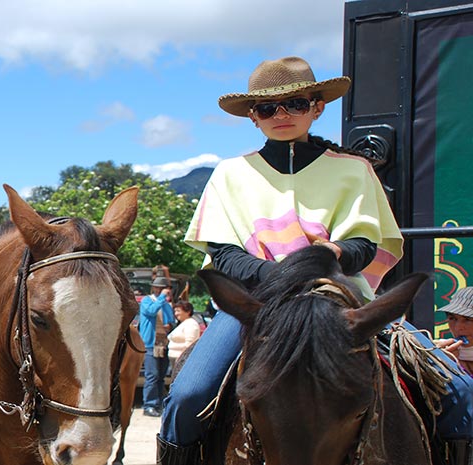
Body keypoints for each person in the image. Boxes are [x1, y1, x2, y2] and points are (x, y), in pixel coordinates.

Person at [160, 56, 473, 464]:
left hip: (344, 299)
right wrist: (282, 278)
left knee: (459, 393)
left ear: (318, 106)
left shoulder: (354, 170)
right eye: (269, 108)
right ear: (253, 116)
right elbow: (224, 254)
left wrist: (333, 253)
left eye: (297, 104)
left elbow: (365, 243)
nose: (282, 115)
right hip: (258, 305)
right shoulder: (230, 174)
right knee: (188, 395)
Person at [139, 276, 174, 417]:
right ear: (153, 288)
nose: (160, 290)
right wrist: (162, 298)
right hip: (150, 345)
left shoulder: (166, 304)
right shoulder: (147, 300)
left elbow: (171, 319)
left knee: (161, 377)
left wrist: (170, 325)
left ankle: (159, 404)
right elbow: (152, 311)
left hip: (164, 344)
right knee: (152, 375)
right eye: (158, 287)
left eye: (162, 288)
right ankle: (149, 405)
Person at [438, 287, 473, 374]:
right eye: (452, 318)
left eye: (468, 319)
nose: (457, 328)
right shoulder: (439, 353)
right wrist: (439, 364)